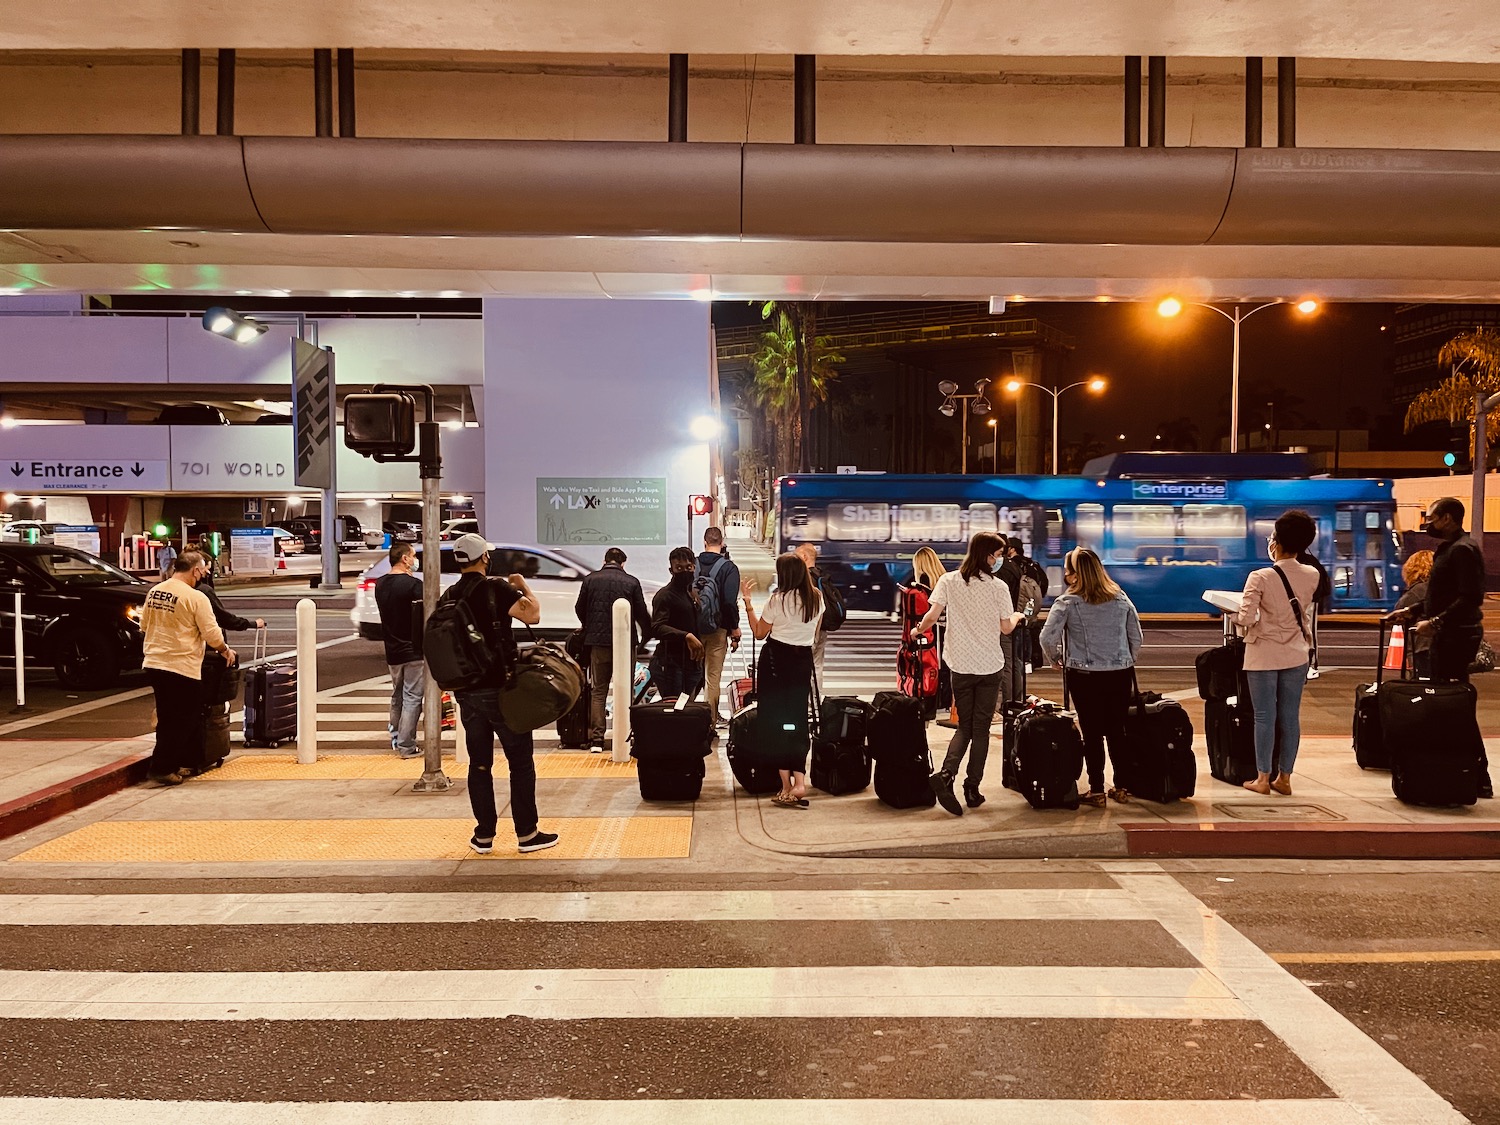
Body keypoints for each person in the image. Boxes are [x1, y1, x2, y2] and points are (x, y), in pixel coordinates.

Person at [445, 533, 558, 855]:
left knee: (479, 764)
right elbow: (532, 614)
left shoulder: (451, 595)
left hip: (468, 692)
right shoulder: (496, 587)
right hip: (502, 691)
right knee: (520, 763)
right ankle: (527, 834)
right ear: (484, 559)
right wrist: (522, 585)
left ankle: (483, 836)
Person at [916, 532, 1026, 816]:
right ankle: (972, 788)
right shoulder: (997, 587)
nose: (1000, 560)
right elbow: (1005, 627)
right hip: (989, 666)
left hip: (960, 666)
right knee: (981, 730)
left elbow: (931, 615)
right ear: (988, 555)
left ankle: (946, 774)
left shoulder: (948, 580)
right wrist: (1018, 616)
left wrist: (918, 630)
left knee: (964, 725)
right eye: (998, 555)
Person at [1039, 547, 1142, 807]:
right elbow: (1136, 636)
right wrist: (1126, 659)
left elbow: (1046, 637)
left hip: (1084, 675)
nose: (1065, 575)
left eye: (1067, 570)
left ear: (1076, 575)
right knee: (1118, 731)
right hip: (1119, 673)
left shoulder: (1068, 601)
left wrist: (1056, 659)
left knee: (1092, 733)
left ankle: (1096, 789)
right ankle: (1122, 787)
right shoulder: (1120, 597)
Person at [1235, 509, 1321, 797]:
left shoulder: (1259, 576)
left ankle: (1262, 778)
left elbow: (1245, 619)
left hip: (1263, 654)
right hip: (1296, 653)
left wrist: (1243, 614)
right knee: (1289, 716)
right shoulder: (1312, 574)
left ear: (1278, 541)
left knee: (1264, 715)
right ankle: (1284, 779)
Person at [140, 549, 237, 786]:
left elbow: (144, 624)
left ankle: (167, 764)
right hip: (180, 665)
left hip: (154, 662)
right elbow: (211, 632)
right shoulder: (195, 597)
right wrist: (225, 650)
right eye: (202, 571)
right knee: (184, 718)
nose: (203, 575)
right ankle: (163, 768)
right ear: (194, 570)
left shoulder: (155, 591)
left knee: (167, 716)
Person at [742, 553, 823, 809]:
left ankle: (786, 786)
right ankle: (800, 781)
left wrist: (748, 604)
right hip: (801, 663)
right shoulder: (817, 600)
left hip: (776, 663)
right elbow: (814, 633)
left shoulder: (778, 600)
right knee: (796, 720)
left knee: (777, 723)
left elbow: (758, 633)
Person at [574, 547, 653, 752]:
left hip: (598, 644)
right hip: (625, 643)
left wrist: (589, 625)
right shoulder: (631, 582)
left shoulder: (590, 580)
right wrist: (646, 635)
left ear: (605, 560)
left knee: (598, 691)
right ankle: (625, 733)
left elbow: (579, 607)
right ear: (622, 563)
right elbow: (641, 612)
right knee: (625, 689)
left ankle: (597, 740)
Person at [374, 541, 425, 759]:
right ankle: (407, 746)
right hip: (413, 649)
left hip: (392, 650)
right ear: (405, 558)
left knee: (397, 696)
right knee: (413, 697)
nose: (414, 560)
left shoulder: (380, 583)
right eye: (413, 556)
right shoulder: (414, 585)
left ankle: (396, 738)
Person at [696, 527, 743, 727]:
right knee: (712, 679)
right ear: (722, 543)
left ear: (704, 541)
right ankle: (710, 724)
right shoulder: (729, 568)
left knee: (691, 677)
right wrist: (734, 629)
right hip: (718, 630)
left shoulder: (693, 564)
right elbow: (729, 603)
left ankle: (683, 719)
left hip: (693, 632)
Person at [650, 546, 706, 700]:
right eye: (679, 568)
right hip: (671, 664)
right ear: (671, 570)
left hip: (692, 664)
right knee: (675, 712)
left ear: (694, 567)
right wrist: (685, 636)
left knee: (687, 710)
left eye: (688, 567)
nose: (685, 571)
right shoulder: (665, 596)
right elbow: (656, 627)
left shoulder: (691, 593)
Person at [1393, 549, 1435, 679]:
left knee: (1423, 683)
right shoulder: (1442, 588)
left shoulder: (1417, 591)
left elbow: (1399, 610)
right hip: (1446, 645)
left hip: (1423, 647)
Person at [793, 542, 829, 694]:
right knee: (817, 665)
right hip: (822, 629)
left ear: (805, 557)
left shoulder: (805, 579)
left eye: (797, 557)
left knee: (801, 667)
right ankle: (816, 701)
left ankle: (804, 704)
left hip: (808, 630)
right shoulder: (822, 575)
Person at [1295, 544, 1332, 679]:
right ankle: (1310, 665)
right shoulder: (1311, 561)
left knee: (1308, 631)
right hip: (1309, 600)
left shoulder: (1301, 562)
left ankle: (1312, 666)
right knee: (1309, 631)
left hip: (1307, 601)